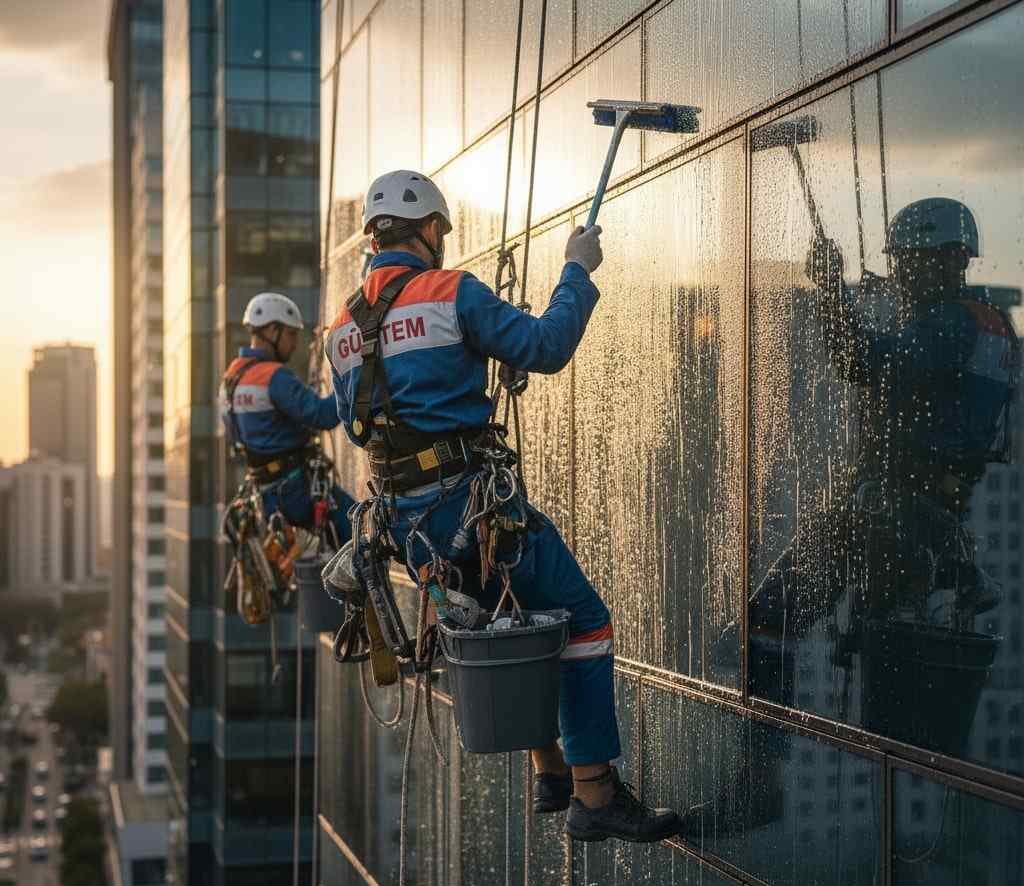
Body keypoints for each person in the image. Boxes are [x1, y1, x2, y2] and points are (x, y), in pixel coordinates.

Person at [325, 170, 681, 843]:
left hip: (408, 524)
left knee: (504, 621)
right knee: (583, 621)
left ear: (374, 238)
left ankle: (550, 769)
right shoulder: (451, 291)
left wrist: (473, 362)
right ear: (430, 230)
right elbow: (546, 346)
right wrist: (576, 269)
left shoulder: (339, 329)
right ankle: (595, 793)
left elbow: (360, 424)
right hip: (470, 506)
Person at [748, 198, 1019, 719]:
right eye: (900, 264)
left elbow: (862, 361)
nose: (902, 276)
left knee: (769, 618)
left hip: (891, 510)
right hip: (931, 512)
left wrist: (831, 287)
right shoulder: (991, 326)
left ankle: (763, 753)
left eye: (911, 263)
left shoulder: (949, 323)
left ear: (950, 259)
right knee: (881, 656)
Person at [221, 291, 356, 547]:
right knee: (358, 528)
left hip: (265, 494)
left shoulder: (230, 379)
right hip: (296, 491)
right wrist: (352, 375)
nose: (294, 344)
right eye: (291, 334)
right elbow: (325, 416)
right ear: (272, 331)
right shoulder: (274, 376)